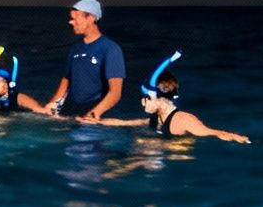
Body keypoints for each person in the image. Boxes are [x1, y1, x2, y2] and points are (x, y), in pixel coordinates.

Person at [98, 54, 250, 142]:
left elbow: (213, 133)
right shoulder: (157, 118)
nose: (142, 101)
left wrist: (237, 138)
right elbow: (128, 123)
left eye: (146, 97)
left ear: (159, 99)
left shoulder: (184, 120)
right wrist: (96, 122)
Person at [43, 0, 124, 121]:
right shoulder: (75, 48)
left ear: (91, 18)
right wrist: (52, 105)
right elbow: (66, 80)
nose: (71, 22)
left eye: (75, 18)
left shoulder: (111, 49)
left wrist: (93, 115)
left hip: (91, 113)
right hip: (69, 111)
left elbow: (115, 92)